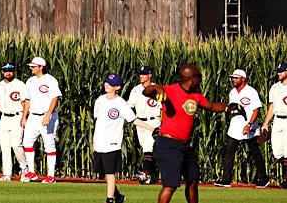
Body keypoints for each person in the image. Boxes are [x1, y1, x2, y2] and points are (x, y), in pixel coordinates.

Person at [143, 63, 227, 203]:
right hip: (168, 145)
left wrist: (228, 107)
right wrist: (157, 87)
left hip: (184, 146)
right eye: (199, 77)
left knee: (193, 179)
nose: (201, 80)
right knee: (170, 185)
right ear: (192, 78)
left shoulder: (196, 95)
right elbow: (146, 91)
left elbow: (211, 106)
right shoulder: (169, 90)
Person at [93, 73, 155, 203]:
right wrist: (94, 141)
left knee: (110, 173)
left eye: (110, 84)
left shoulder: (121, 103)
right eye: (106, 82)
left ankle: (109, 200)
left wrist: (152, 129)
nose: (106, 85)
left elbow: (133, 120)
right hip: (99, 142)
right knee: (105, 174)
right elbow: (97, 122)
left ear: (118, 87)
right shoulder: (99, 100)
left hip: (112, 142)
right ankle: (118, 196)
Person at [213, 69, 268, 188]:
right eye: (232, 77)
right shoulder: (232, 92)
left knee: (255, 152)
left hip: (249, 126)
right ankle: (226, 179)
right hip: (235, 126)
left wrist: (249, 125)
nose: (233, 80)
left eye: (236, 78)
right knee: (229, 152)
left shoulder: (251, 91)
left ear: (243, 79)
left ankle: (264, 179)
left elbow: (256, 110)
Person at [21, 56, 61, 184]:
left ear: (41, 67)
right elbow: (27, 99)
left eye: (33, 66)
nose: (31, 68)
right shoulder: (30, 81)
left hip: (47, 116)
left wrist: (48, 115)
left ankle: (50, 176)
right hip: (33, 116)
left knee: (49, 145)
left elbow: (55, 98)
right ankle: (32, 172)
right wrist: (24, 117)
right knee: (27, 143)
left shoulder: (50, 80)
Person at [0, 62, 27, 182]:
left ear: (13, 71)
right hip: (4, 117)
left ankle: (25, 169)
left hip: (17, 116)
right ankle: (7, 174)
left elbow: (25, 102)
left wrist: (24, 117)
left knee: (16, 144)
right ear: (2, 72)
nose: (8, 72)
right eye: (6, 70)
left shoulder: (20, 84)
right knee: (4, 147)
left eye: (10, 70)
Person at [126, 65, 161, 184]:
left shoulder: (157, 89)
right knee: (146, 148)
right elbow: (129, 106)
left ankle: (144, 173)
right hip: (139, 121)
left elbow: (163, 107)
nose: (141, 76)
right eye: (140, 74)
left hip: (153, 121)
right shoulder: (135, 90)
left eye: (144, 74)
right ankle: (153, 176)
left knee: (148, 147)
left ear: (150, 75)